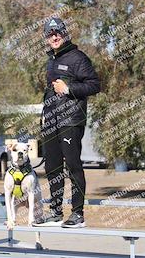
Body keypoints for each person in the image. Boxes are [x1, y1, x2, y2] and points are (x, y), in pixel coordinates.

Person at [33, 17, 100, 228]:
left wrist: (70, 88)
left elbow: (94, 85)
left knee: (72, 167)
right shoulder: (51, 59)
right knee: (52, 167)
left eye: (57, 33)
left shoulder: (77, 57)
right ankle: (55, 211)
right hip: (51, 121)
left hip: (71, 120)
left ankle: (78, 214)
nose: (54, 37)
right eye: (49, 34)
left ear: (64, 33)